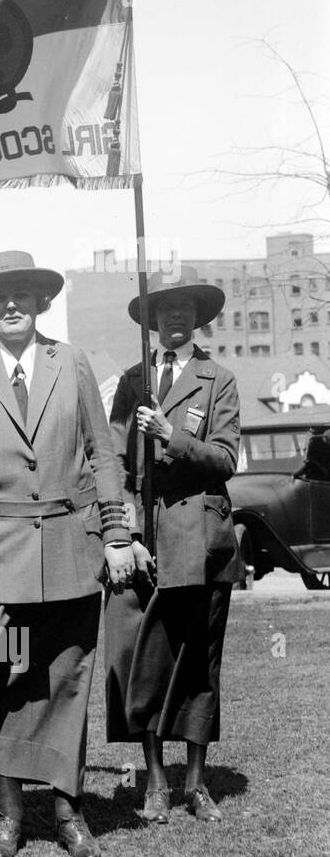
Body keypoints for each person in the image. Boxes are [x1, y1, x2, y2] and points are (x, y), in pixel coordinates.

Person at [0, 251, 134, 857]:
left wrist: (117, 535)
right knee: (3, 681)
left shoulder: (70, 361)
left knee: (68, 676)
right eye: (0, 296)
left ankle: (68, 811)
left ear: (40, 301)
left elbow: (103, 455)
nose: (13, 304)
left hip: (71, 550)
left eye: (23, 293)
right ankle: (7, 813)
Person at [104, 267, 242, 824]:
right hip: (144, 541)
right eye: (167, 310)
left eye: (186, 309)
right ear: (154, 319)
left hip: (201, 539)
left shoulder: (218, 379)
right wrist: (125, 526)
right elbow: (112, 456)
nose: (176, 317)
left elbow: (226, 459)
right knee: (144, 657)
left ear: (199, 317)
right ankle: (155, 781)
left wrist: (172, 437)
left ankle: (195, 782)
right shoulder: (134, 380)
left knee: (197, 663)